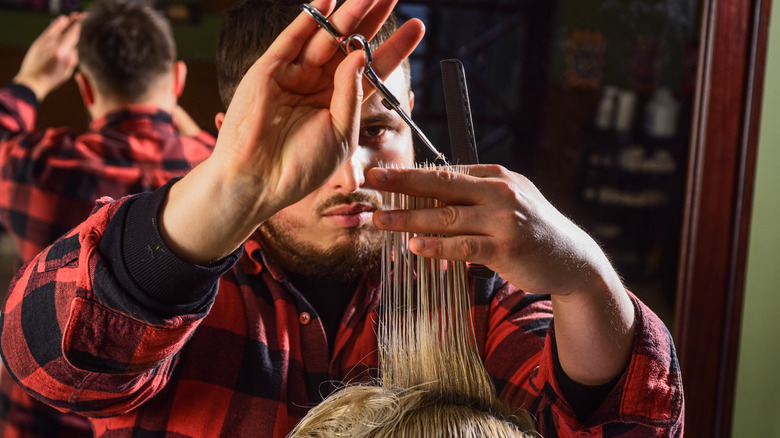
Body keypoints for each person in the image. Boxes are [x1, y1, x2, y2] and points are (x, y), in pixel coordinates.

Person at [0, 0, 684, 436]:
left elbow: (616, 426)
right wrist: (228, 191)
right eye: (311, 137)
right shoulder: (181, 290)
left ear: (415, 128)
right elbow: (45, 362)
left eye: (377, 129)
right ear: (229, 136)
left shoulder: (469, 290)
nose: (349, 175)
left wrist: (585, 277)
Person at [0, 1, 215, 436]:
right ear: (177, 80)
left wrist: (31, 81)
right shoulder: (214, 173)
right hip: (163, 418)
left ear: (84, 89)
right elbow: (226, 151)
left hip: (43, 418)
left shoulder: (40, 166)